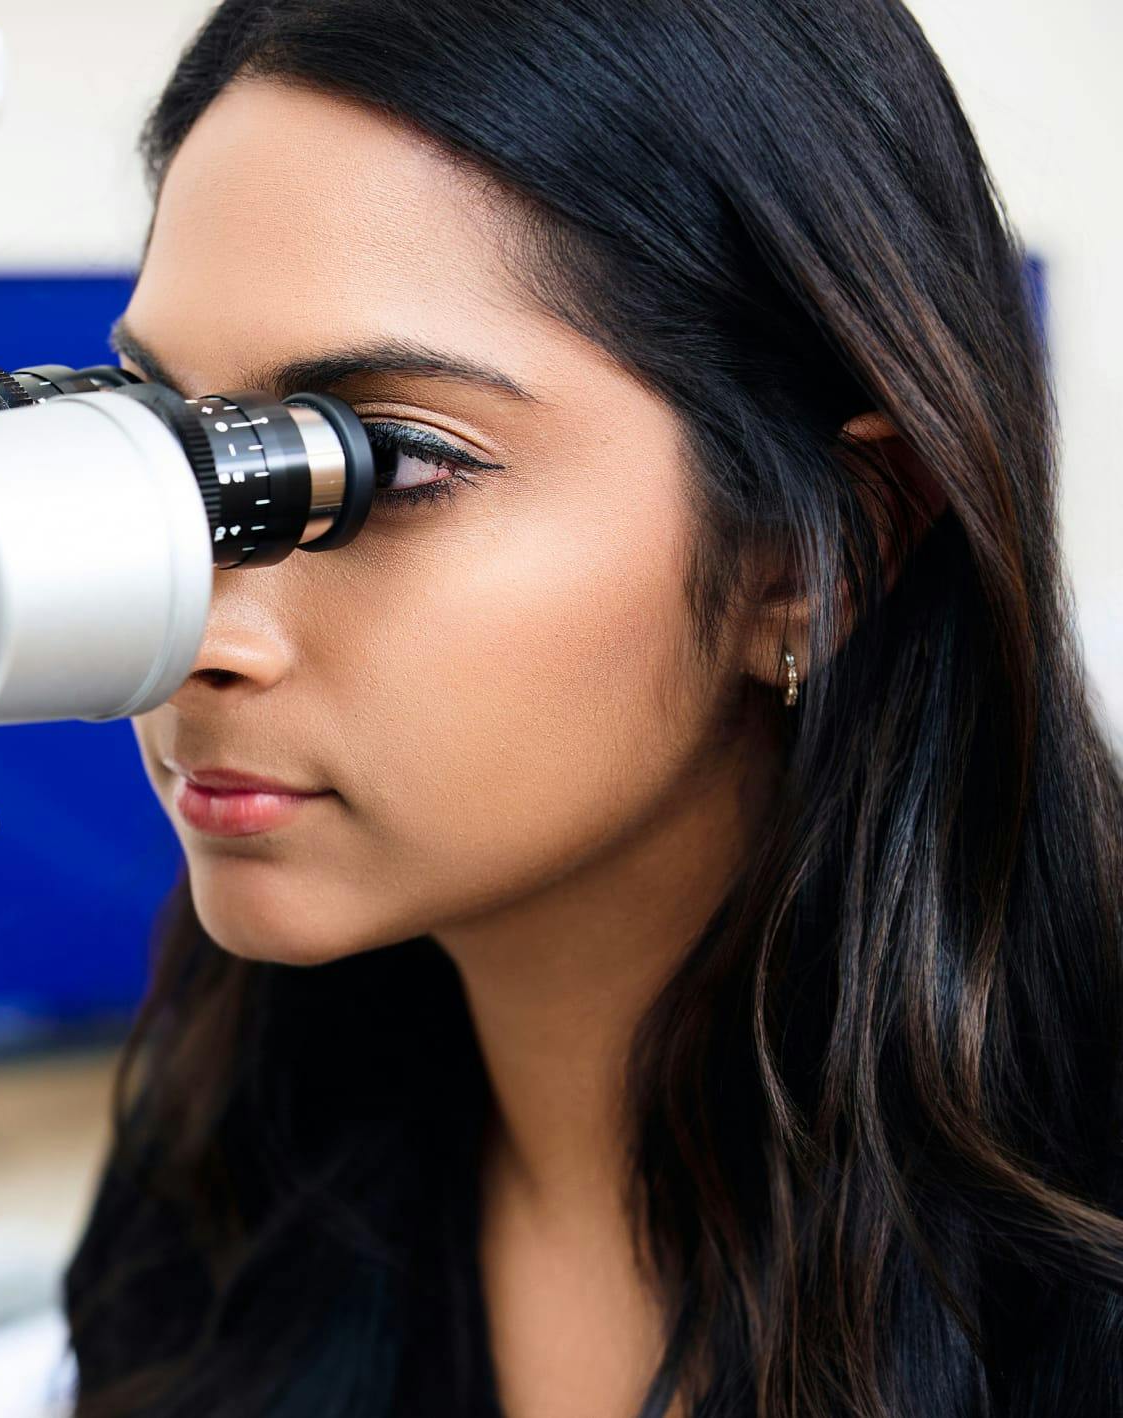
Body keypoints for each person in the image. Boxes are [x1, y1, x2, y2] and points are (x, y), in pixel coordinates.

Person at [62, 2, 1123, 1414]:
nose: (195, 624)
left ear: (820, 555)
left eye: (388, 463)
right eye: (175, 438)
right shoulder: (228, 1159)